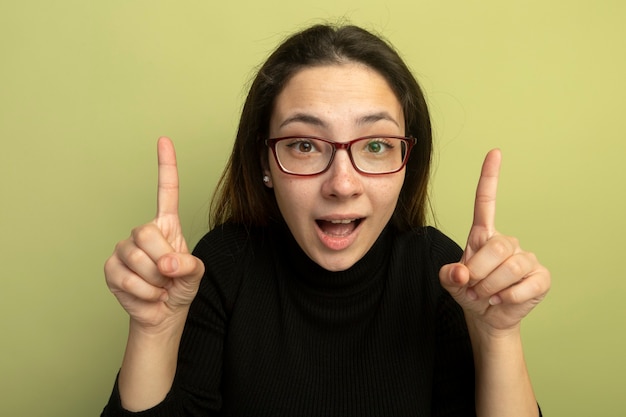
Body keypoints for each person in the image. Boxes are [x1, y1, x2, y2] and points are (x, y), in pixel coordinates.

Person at [101, 24, 550, 416]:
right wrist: (153, 331)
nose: (342, 184)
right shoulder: (224, 263)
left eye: (375, 146)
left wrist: (498, 337)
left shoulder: (441, 272)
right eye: (304, 144)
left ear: (406, 161)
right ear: (266, 163)